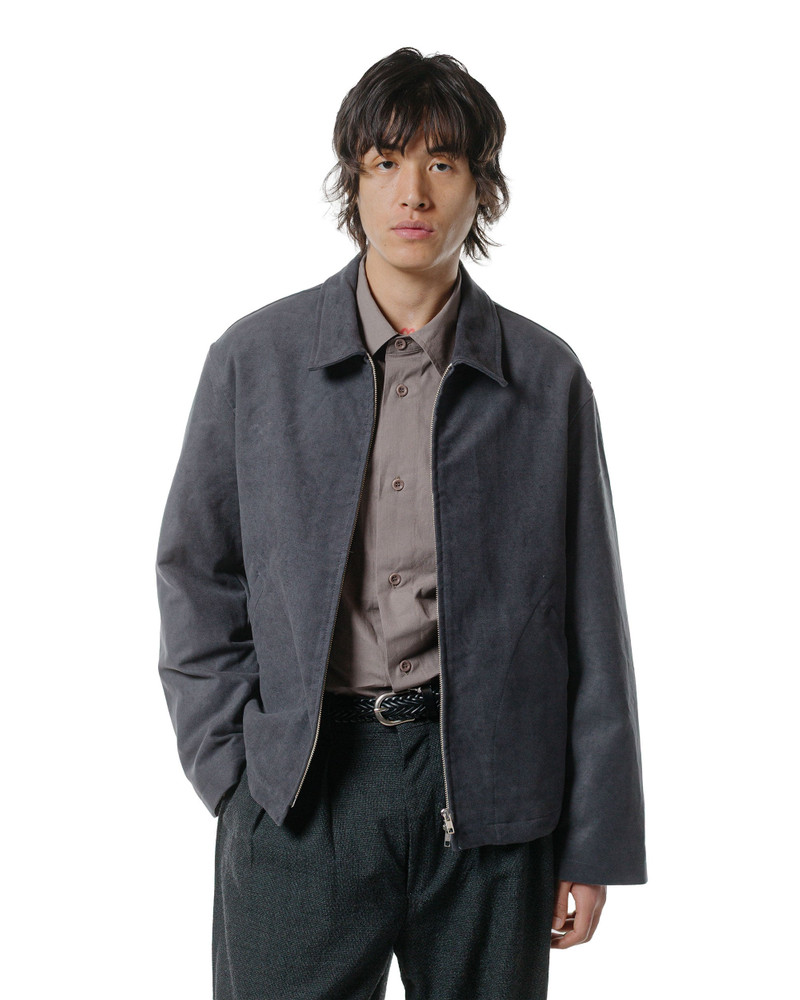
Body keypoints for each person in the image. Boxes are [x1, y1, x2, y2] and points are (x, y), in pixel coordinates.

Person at [156, 47, 647, 1000]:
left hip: (494, 801)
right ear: (353, 180)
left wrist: (592, 840)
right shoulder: (255, 361)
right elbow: (196, 573)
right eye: (385, 162)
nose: (411, 192)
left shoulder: (546, 379)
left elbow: (592, 620)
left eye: (442, 163)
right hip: (303, 790)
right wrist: (234, 773)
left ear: (483, 188)